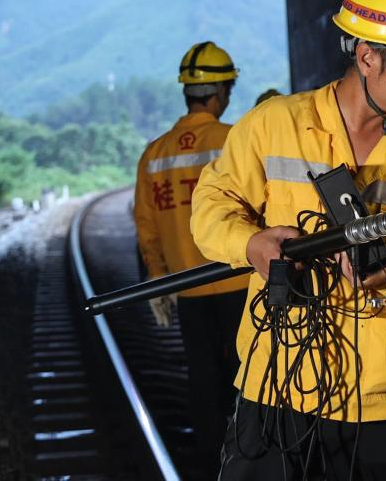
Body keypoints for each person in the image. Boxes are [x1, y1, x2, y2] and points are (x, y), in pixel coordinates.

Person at [190, 0, 386, 481]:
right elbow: (211, 209)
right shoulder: (274, 125)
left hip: (381, 404)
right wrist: (251, 244)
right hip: (277, 390)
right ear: (368, 57)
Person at [133, 40, 248, 478]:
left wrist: (157, 279)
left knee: (202, 380)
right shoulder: (235, 140)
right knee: (249, 377)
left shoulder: (155, 154)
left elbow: (146, 225)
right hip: (240, 281)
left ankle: (208, 464)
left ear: (188, 92)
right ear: (220, 92)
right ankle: (250, 460)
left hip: (187, 288)